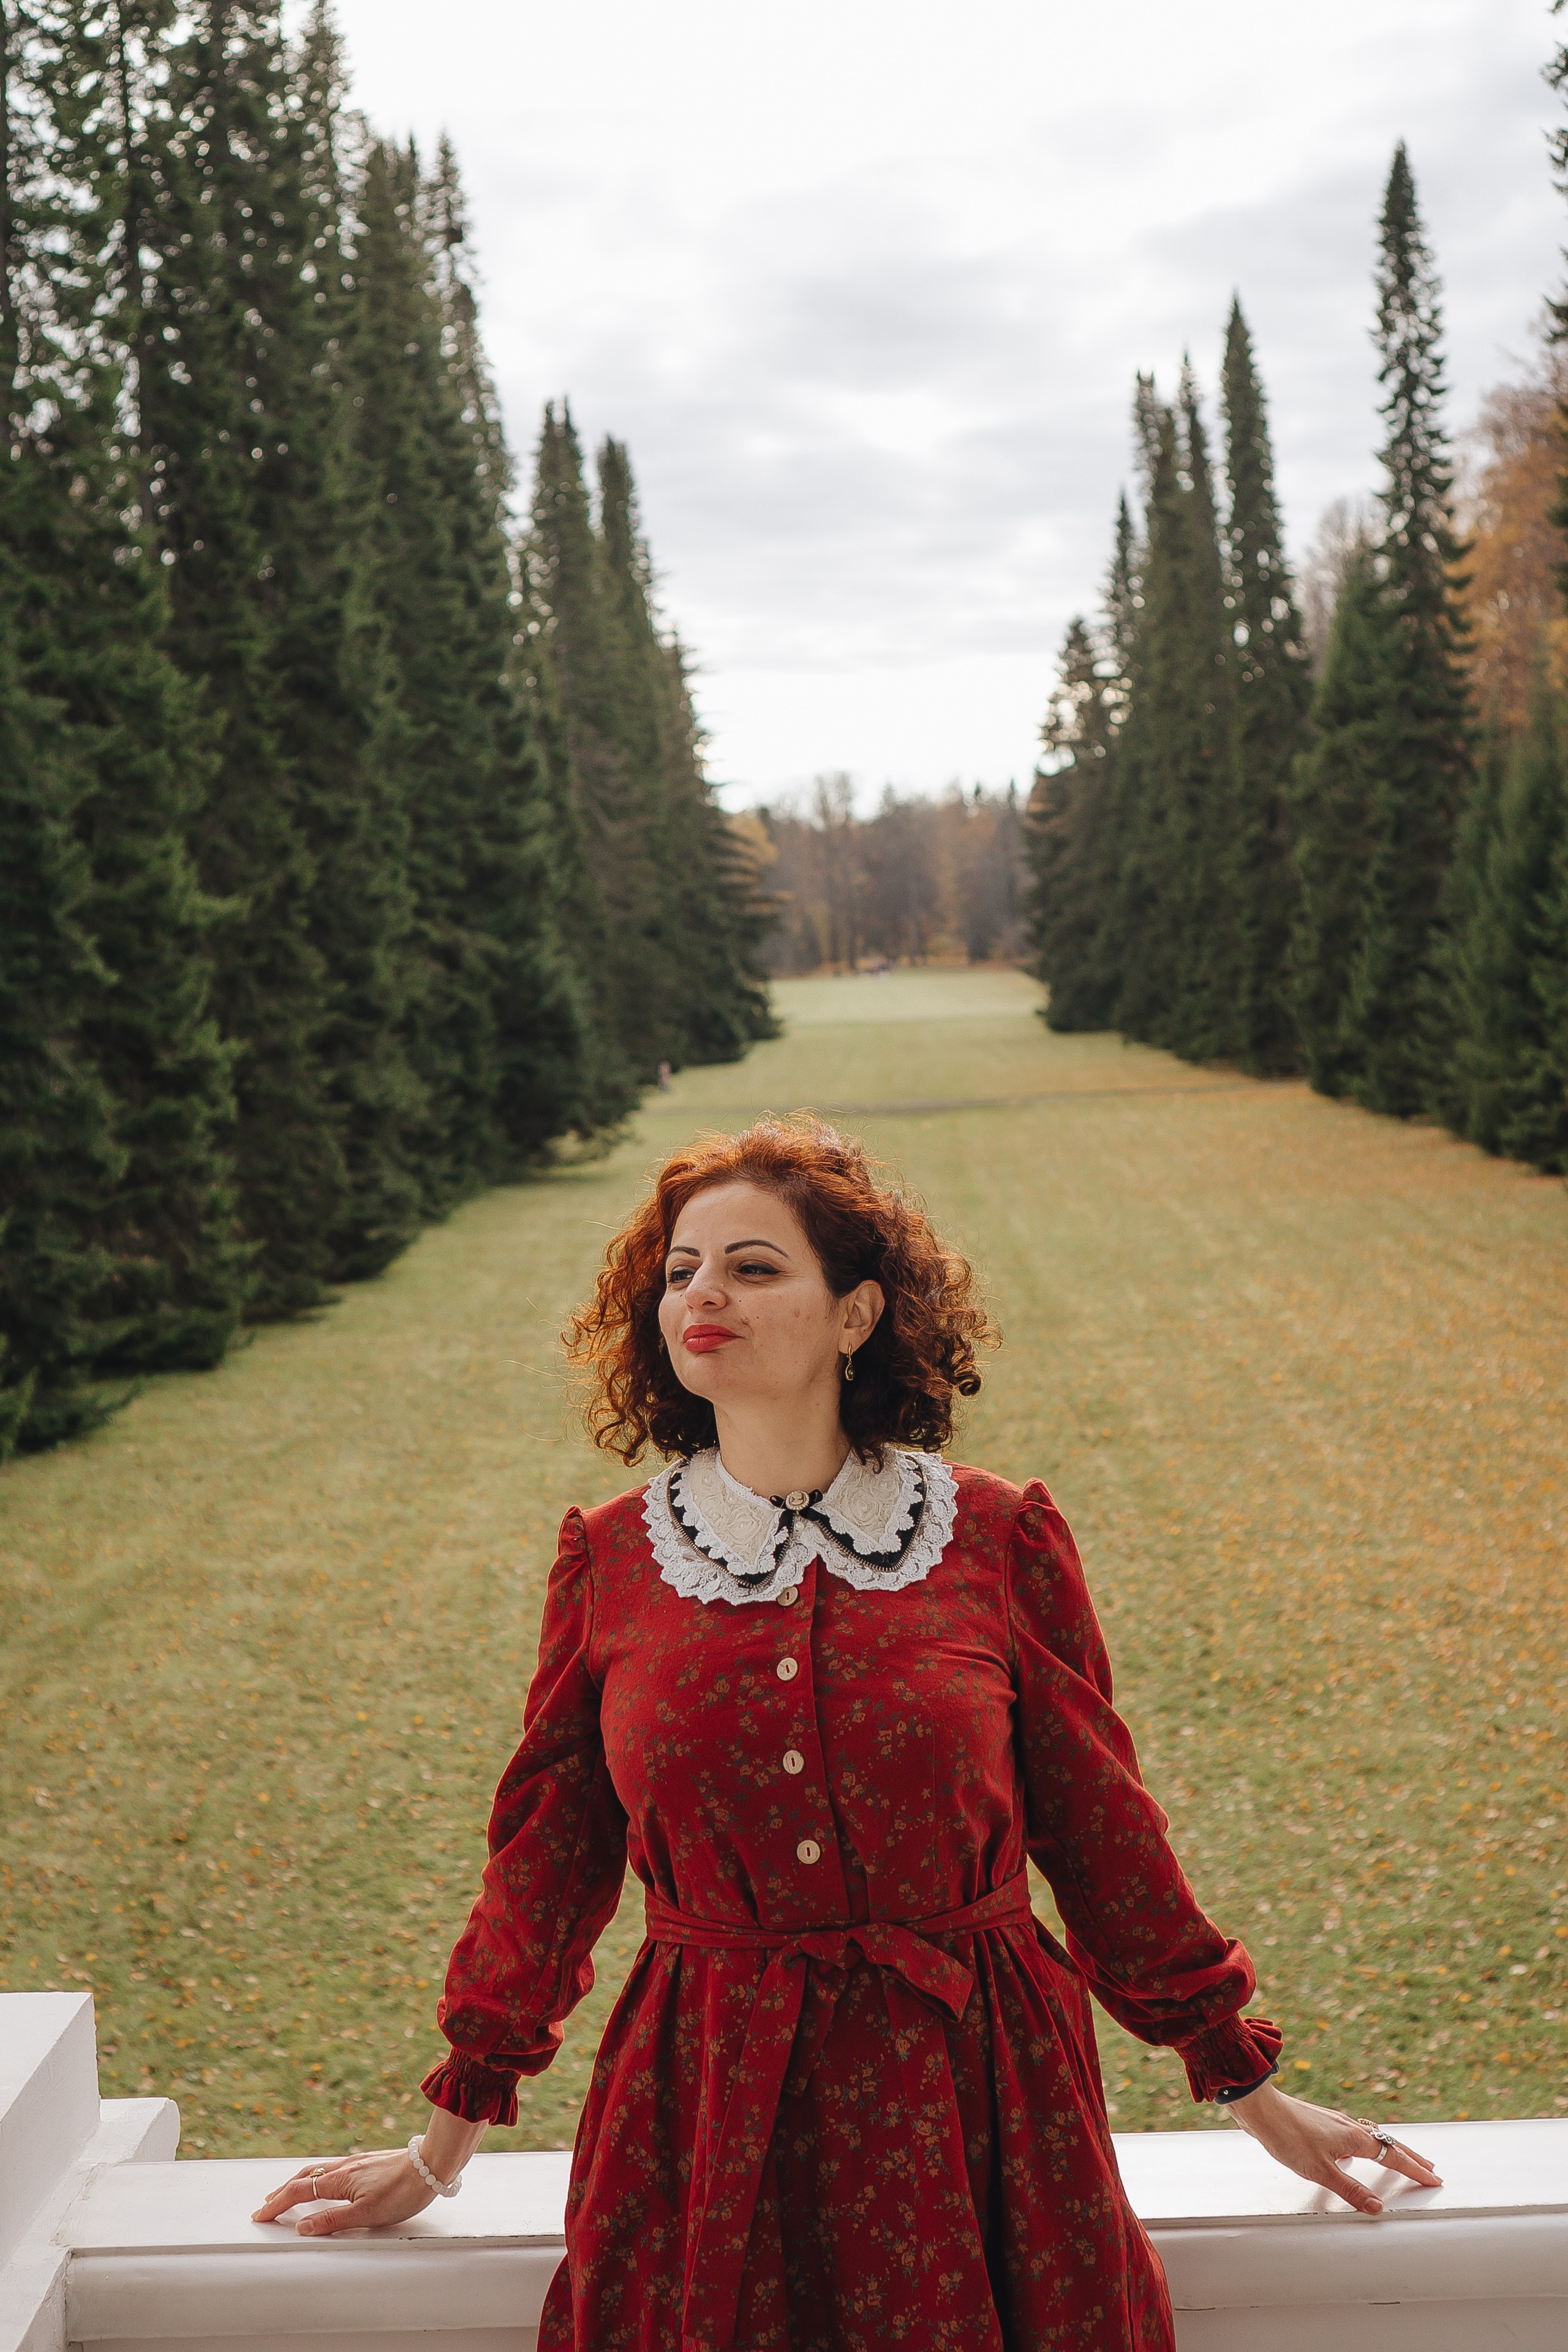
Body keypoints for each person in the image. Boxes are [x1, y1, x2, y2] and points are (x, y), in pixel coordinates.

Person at [254, 1117, 1441, 2350]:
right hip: (705, 2092)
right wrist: (437, 2148)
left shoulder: (992, 1537)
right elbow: (546, 1868)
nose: (702, 1292)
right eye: (679, 1272)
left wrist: (1246, 2086)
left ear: (856, 1316)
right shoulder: (611, 1561)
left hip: (980, 2090)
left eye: (753, 1267)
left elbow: (1100, 1837)